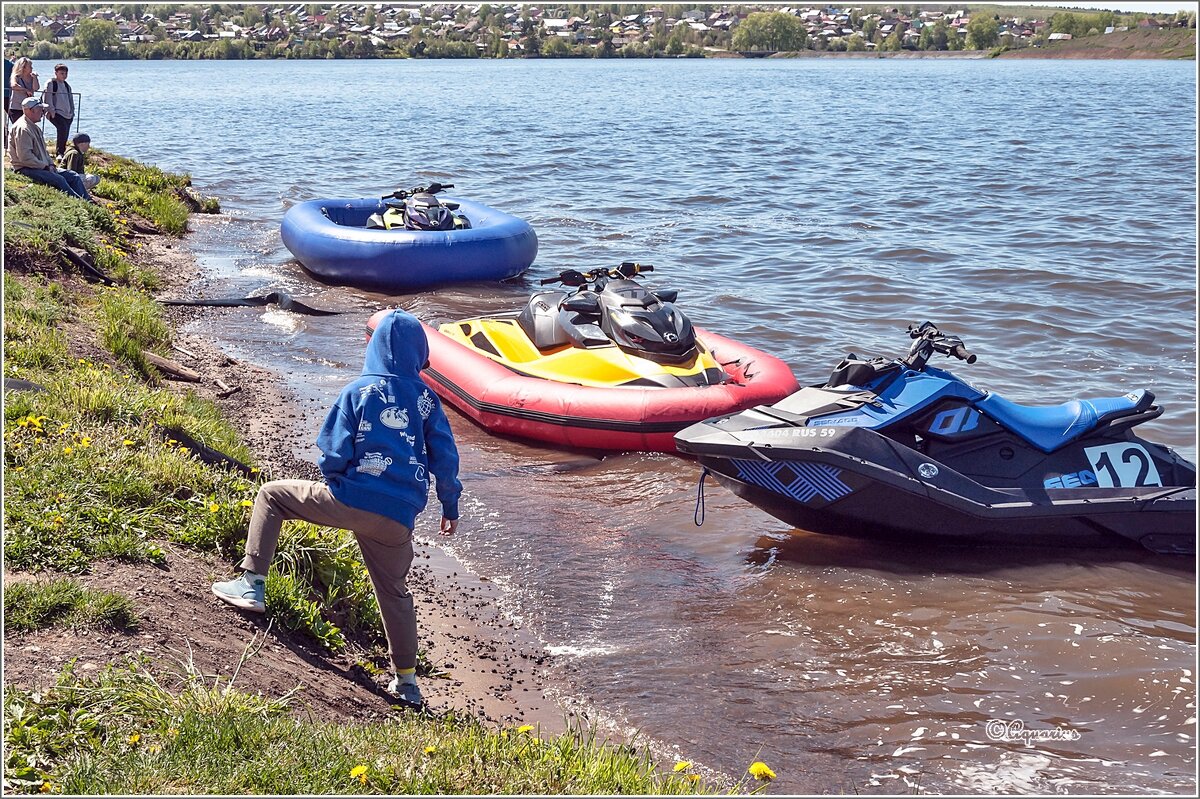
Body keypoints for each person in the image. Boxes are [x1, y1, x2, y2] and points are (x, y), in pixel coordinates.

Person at [212, 310, 463, 709]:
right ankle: (407, 683)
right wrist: (449, 503)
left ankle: (251, 585)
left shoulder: (358, 391)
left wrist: (337, 479)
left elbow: (333, 448)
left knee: (271, 496)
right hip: (398, 517)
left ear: (374, 348)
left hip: (350, 498)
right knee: (394, 593)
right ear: (420, 356)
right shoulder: (427, 401)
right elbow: (445, 458)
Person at [7, 97, 93, 202]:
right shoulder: (23, 129)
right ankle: (79, 202)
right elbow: (25, 158)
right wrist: (45, 166)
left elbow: (44, 152)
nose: (43, 113)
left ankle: (86, 200)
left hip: (39, 167)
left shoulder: (34, 127)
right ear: (30, 110)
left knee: (73, 176)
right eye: (40, 110)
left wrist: (51, 164)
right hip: (26, 168)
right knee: (59, 179)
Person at [41, 63, 74, 158]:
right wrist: (51, 111)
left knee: (65, 131)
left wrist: (72, 112)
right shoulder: (51, 83)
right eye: (62, 73)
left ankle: (62, 151)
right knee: (62, 128)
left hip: (67, 114)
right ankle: (59, 153)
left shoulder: (67, 85)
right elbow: (47, 98)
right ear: (56, 73)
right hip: (56, 112)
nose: (64, 75)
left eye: (65, 73)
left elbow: (70, 99)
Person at [8, 57, 39, 124]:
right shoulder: (16, 76)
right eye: (30, 66)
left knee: (29, 127)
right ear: (24, 67)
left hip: (29, 108)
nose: (32, 68)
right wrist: (25, 90)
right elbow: (14, 85)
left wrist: (35, 78)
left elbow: (36, 88)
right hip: (16, 107)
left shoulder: (32, 77)